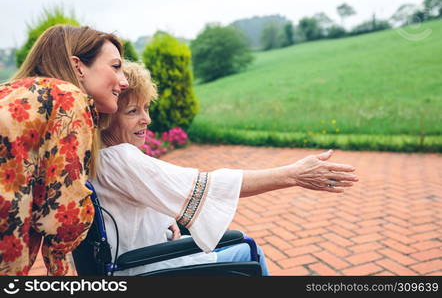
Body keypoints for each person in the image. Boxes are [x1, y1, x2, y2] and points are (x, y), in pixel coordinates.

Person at [92, 61, 358, 275]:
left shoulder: (95, 157)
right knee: (248, 248)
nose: (146, 119)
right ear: (106, 118)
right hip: (148, 270)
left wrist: (166, 220)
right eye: (132, 112)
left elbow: (137, 202)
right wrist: (293, 174)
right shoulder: (121, 158)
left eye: (147, 108)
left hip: (132, 263)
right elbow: (208, 186)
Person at [0, 24, 129, 276]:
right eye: (115, 66)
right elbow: (63, 218)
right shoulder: (68, 97)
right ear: (78, 66)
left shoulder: (11, 92)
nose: (124, 81)